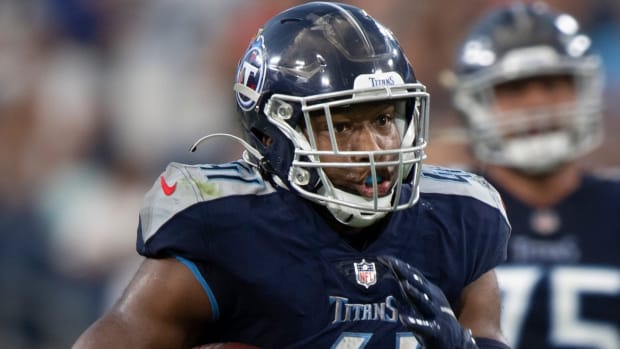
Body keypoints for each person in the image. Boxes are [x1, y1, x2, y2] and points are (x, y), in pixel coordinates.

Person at [73, 2, 511, 348]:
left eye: (383, 120)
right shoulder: (227, 226)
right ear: (272, 135)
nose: (374, 149)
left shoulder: (457, 218)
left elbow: (490, 334)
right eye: (342, 127)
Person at [450, 2, 620, 349]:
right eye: (514, 89)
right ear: (475, 102)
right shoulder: (448, 212)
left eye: (553, 83)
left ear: (583, 88)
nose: (537, 103)